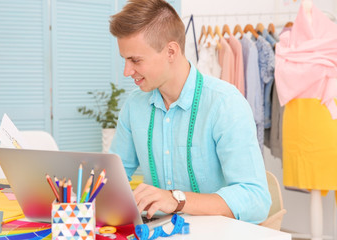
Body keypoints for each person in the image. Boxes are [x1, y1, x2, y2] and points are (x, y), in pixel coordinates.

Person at [109, 0, 271, 224]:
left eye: (135, 60)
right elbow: (114, 178)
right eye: (125, 60)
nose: (127, 71)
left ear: (171, 51)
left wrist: (177, 200)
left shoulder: (225, 103)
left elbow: (256, 199)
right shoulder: (134, 106)